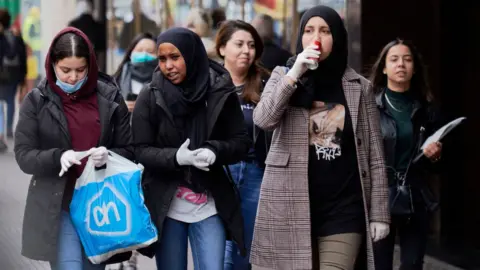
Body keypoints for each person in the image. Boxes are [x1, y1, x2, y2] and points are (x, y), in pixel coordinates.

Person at [250, 6, 390, 270]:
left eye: (325, 31)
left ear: (336, 37)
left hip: (344, 211)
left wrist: (380, 214)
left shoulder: (359, 87)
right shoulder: (283, 76)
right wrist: (295, 73)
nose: (316, 38)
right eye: (308, 31)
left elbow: (375, 155)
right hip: (290, 208)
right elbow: (263, 120)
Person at [14, 27, 133, 270]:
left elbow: (129, 149)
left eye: (80, 70)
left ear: (90, 65)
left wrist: (108, 156)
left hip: (100, 204)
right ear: (52, 64)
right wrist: (59, 157)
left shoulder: (110, 98)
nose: (72, 78)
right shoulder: (37, 100)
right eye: (65, 70)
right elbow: (24, 155)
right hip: (60, 205)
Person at [131, 27, 250, 270]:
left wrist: (214, 151)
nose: (168, 66)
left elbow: (240, 142)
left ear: (191, 55)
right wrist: (177, 157)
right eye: (162, 59)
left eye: (175, 57)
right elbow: (139, 149)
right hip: (167, 203)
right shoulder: (151, 95)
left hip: (209, 201)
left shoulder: (219, 91)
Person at [371, 39, 443, 270]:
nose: (401, 64)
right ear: (384, 67)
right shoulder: (372, 106)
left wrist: (435, 155)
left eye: (407, 59)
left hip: (415, 198)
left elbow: (437, 166)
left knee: (412, 264)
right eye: (394, 59)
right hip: (380, 198)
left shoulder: (426, 108)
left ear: (414, 67)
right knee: (380, 264)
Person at [215, 20, 271, 270]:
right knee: (217, 248)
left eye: (251, 45)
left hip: (253, 173)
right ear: (222, 48)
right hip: (217, 173)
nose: (246, 51)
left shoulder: (266, 84)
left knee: (243, 250)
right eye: (239, 44)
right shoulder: (208, 83)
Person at [0, 8, 27, 151]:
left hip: (3, 74)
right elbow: (22, 57)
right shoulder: (15, 35)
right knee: (10, 101)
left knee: (1, 103)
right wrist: (23, 78)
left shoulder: (3, 36)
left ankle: (3, 130)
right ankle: (9, 127)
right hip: (14, 74)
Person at [113, 33, 157, 112]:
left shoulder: (163, 82)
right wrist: (120, 107)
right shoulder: (114, 82)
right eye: (139, 50)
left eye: (150, 52)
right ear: (131, 53)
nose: (144, 54)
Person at [69, 0, 106, 71]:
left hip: (77, 60)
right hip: (93, 60)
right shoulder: (98, 26)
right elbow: (102, 46)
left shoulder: (73, 25)